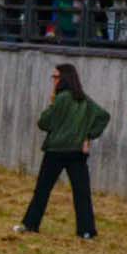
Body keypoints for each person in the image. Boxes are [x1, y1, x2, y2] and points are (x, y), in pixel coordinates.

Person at [16, 63, 110, 237]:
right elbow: (103, 116)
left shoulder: (61, 98)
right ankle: (86, 230)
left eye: (55, 77)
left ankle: (31, 224)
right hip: (77, 152)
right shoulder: (83, 99)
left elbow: (43, 122)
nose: (53, 80)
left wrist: (52, 102)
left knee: (43, 190)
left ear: (63, 79)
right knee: (81, 192)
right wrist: (88, 136)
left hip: (56, 151)